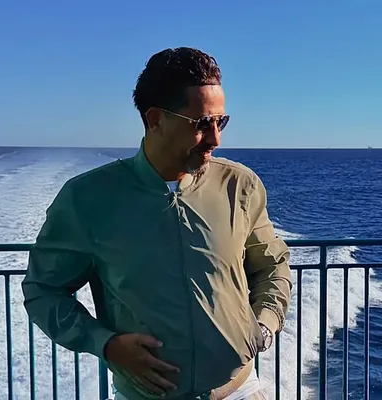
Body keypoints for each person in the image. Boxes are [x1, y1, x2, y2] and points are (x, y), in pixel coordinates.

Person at [22, 47, 292, 400]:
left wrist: (264, 326)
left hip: (240, 390)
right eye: (201, 124)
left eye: (220, 121)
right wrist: (106, 344)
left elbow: (272, 265)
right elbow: (43, 290)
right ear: (154, 119)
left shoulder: (239, 186)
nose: (216, 138)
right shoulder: (87, 198)